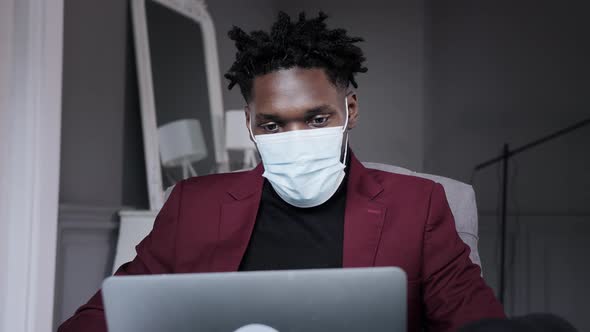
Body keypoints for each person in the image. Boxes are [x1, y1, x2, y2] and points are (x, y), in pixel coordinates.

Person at [58, 11, 504, 332]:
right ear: (250, 125)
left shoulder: (418, 205)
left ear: (349, 109)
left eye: (316, 119)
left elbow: (476, 320)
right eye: (272, 124)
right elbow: (105, 316)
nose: (295, 134)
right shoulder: (193, 204)